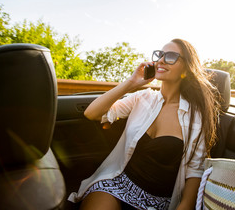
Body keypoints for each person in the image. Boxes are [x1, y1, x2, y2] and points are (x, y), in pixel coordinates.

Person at [68, 38, 222, 210]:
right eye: (159, 55)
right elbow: (92, 113)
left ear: (186, 67)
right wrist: (131, 83)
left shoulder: (195, 116)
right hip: (117, 185)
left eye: (171, 56)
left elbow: (194, 171)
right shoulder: (142, 98)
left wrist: (184, 206)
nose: (161, 60)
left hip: (159, 201)